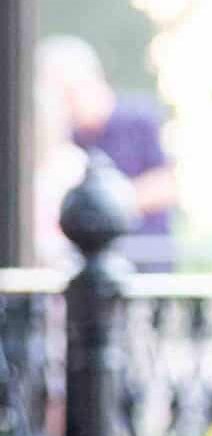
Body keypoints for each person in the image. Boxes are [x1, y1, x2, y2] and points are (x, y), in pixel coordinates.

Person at [37, 35, 179, 271]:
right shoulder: (69, 139)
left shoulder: (139, 119)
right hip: (86, 269)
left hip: (144, 263)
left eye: (66, 92)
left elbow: (167, 184)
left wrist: (108, 203)